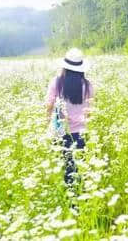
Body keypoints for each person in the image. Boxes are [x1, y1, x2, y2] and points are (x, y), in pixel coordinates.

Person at [46, 48, 94, 186]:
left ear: (65, 66)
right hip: (81, 133)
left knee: (62, 168)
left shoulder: (57, 82)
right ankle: (76, 200)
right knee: (77, 168)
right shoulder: (87, 85)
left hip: (60, 132)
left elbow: (49, 105)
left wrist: (46, 123)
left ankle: (68, 200)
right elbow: (89, 111)